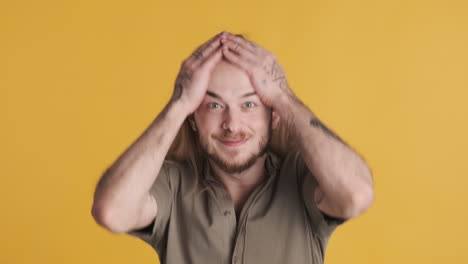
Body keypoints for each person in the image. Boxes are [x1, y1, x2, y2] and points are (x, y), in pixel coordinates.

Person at [91, 31, 375, 264]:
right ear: (193, 118)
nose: (232, 124)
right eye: (214, 105)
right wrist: (178, 104)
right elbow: (112, 212)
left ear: (273, 114)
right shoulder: (173, 184)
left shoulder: (300, 177)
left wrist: (283, 96)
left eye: (249, 104)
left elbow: (357, 194)